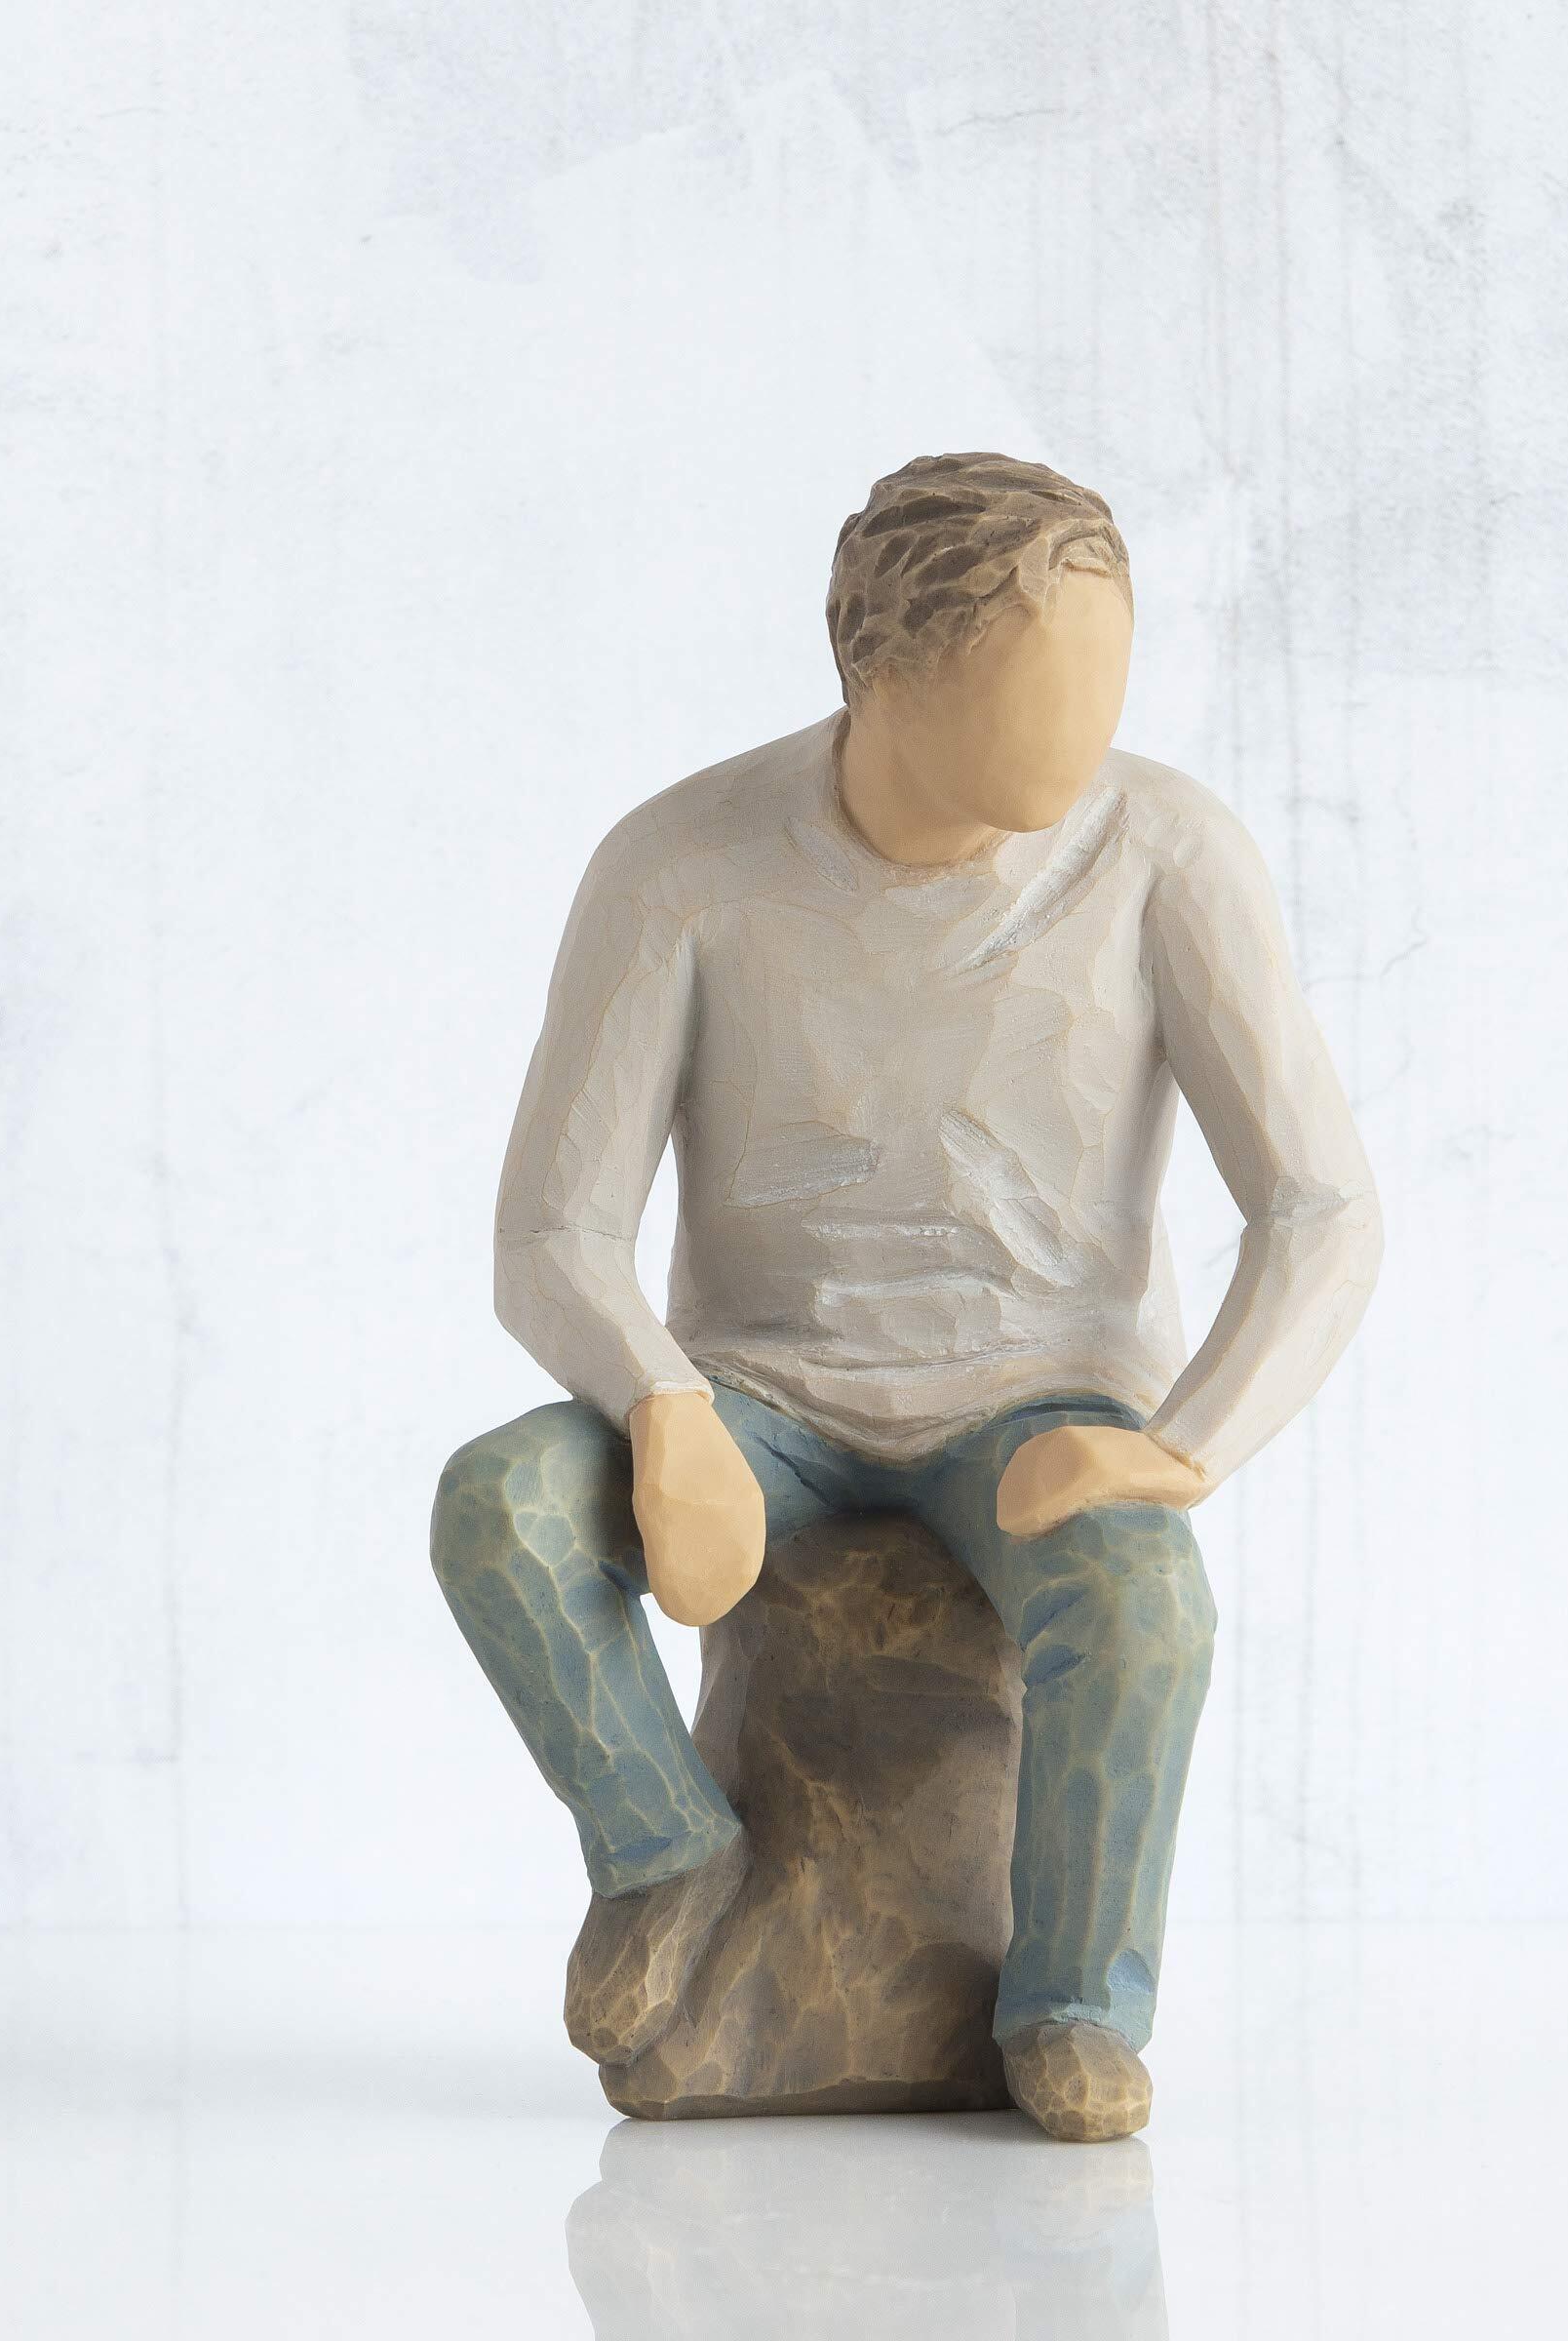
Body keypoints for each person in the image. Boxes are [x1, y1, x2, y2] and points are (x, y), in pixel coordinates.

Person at [432, 452, 1382, 2142]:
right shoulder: (683, 865)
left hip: (1042, 1401)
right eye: (1030, 687)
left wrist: (1184, 1445)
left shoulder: (1167, 853)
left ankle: (1076, 2004)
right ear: (876, 666)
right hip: (760, 1397)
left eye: (1105, 677)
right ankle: (663, 1855)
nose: (1083, 731)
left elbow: (1319, 1204)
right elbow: (553, 1230)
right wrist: (663, 1405)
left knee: (1144, 1608)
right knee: (501, 1506)